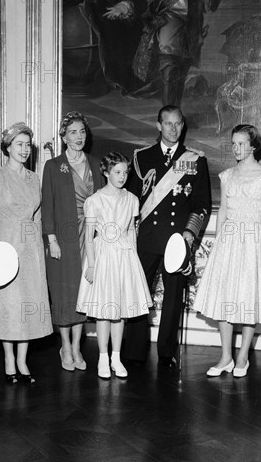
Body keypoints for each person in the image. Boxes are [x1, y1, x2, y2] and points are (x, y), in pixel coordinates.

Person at [124, 105, 211, 367]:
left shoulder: (195, 159)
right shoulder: (142, 157)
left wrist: (187, 234)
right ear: (159, 125)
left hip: (177, 241)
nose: (174, 129)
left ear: (183, 126)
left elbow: (201, 204)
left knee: (174, 299)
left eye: (178, 124)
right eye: (168, 123)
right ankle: (134, 350)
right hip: (147, 238)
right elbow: (130, 200)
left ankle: (166, 351)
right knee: (138, 295)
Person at [193, 124, 261, 378]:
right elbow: (223, 213)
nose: (237, 149)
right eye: (233, 144)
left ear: (253, 146)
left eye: (242, 144)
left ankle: (243, 357)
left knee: (248, 298)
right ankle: (226, 357)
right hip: (228, 242)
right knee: (225, 297)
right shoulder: (227, 175)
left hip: (254, 243)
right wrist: (217, 245)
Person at [0, 123, 53, 383]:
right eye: (19, 145)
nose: (24, 150)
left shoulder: (34, 178)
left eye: (27, 145)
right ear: (7, 148)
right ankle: (8, 359)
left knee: (27, 305)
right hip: (5, 245)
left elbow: (38, 217)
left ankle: (23, 361)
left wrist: (39, 248)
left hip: (30, 248)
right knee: (9, 304)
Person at [76, 152, 152, 379]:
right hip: (102, 257)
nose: (122, 177)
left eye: (125, 172)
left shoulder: (132, 200)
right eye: (117, 172)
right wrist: (90, 265)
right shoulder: (94, 201)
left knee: (120, 312)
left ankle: (116, 358)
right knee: (104, 312)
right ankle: (102, 358)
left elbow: (131, 232)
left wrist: (133, 261)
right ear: (106, 172)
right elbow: (89, 237)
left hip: (124, 256)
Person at [42, 112, 104, 372]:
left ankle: (77, 346)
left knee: (83, 293)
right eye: (73, 133)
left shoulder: (96, 163)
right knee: (64, 293)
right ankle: (65, 346)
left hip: (90, 237)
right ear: (63, 137)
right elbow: (47, 204)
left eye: (82, 132)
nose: (78, 137)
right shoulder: (54, 166)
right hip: (64, 239)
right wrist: (51, 239)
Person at [104, 0, 223, 109]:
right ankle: (168, 115)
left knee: (181, 76)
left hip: (191, 32)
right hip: (168, 28)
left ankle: (176, 114)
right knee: (169, 75)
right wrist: (125, 5)